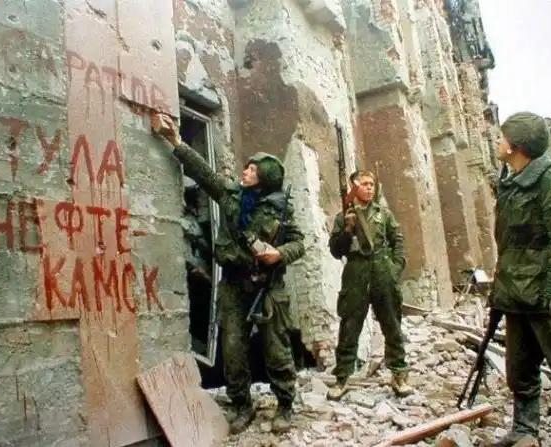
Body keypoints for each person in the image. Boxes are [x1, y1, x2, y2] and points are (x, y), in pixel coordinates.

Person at [152, 114, 305, 434]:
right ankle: (241, 404)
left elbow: (299, 243)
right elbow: (204, 174)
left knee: (276, 348)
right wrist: (175, 139)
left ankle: (285, 403)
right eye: (247, 167)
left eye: (252, 169)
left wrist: (279, 254)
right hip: (234, 283)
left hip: (268, 286)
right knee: (233, 349)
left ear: (264, 179)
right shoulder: (231, 194)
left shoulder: (280, 209)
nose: (245, 171)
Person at [490, 112, 551, 446]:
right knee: (519, 369)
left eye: (503, 136)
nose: (498, 141)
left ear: (516, 145)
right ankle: (525, 430)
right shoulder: (511, 182)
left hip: (547, 297)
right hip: (517, 295)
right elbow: (510, 247)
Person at [326, 169, 413, 400]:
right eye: (364, 184)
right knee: (349, 326)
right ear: (354, 188)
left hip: (382, 270)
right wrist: (347, 229)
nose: (369, 188)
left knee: (392, 324)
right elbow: (336, 250)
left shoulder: (383, 213)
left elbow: (397, 240)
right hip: (356, 272)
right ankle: (342, 378)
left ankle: (399, 374)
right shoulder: (344, 216)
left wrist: (395, 268)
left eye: (371, 184)